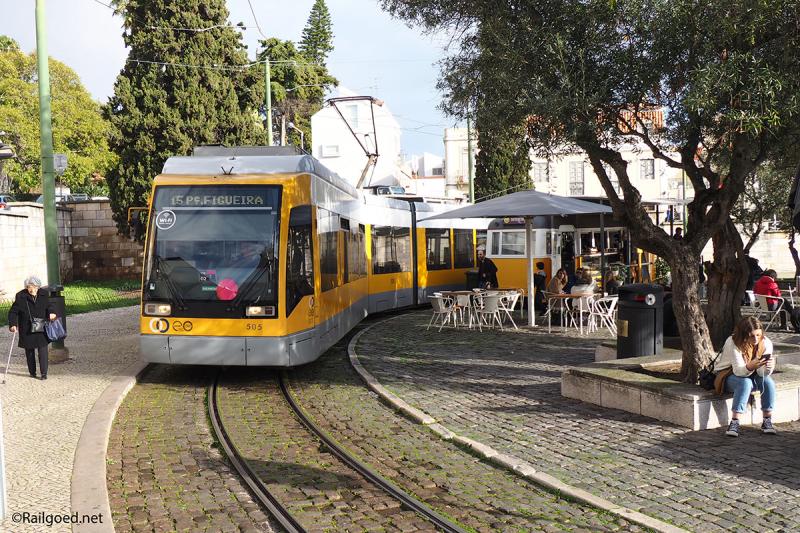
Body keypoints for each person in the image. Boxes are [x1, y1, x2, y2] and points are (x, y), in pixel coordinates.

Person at [716, 317, 777, 437]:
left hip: (752, 374)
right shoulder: (733, 342)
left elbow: (761, 373)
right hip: (728, 375)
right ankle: (734, 422)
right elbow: (738, 371)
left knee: (768, 382)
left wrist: (769, 367)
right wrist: (750, 366)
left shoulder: (766, 343)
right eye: (751, 336)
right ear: (743, 335)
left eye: (758, 335)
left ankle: (767, 419)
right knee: (745, 383)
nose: (755, 339)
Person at [7, 276, 57, 380]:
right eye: (29, 287)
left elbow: (49, 306)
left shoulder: (44, 294)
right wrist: (13, 324)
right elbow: (13, 312)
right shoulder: (21, 296)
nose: (31, 289)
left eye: (34, 287)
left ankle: (44, 374)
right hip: (27, 328)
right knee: (29, 351)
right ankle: (32, 372)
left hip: (41, 326)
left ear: (38, 287)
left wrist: (52, 313)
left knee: (43, 350)